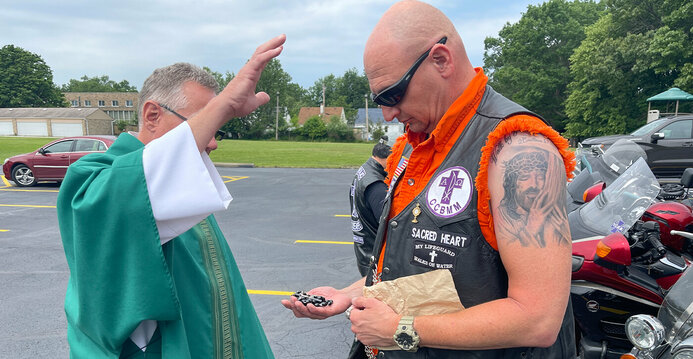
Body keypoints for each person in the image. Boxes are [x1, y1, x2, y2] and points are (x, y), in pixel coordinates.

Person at [282, 1, 576, 358]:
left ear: (441, 60)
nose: (388, 113)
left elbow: (538, 318)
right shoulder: (412, 147)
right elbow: (418, 268)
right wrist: (350, 294)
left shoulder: (518, 151)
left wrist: (401, 330)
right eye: (379, 99)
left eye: (392, 94)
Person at [57, 35, 286, 358]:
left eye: (217, 128)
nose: (213, 142)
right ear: (152, 115)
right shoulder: (95, 178)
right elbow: (123, 195)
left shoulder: (177, 183)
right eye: (205, 123)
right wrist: (225, 104)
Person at [350, 138, 392, 276]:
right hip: (374, 258)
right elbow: (389, 224)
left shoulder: (366, 170)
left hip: (365, 251)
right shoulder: (376, 185)